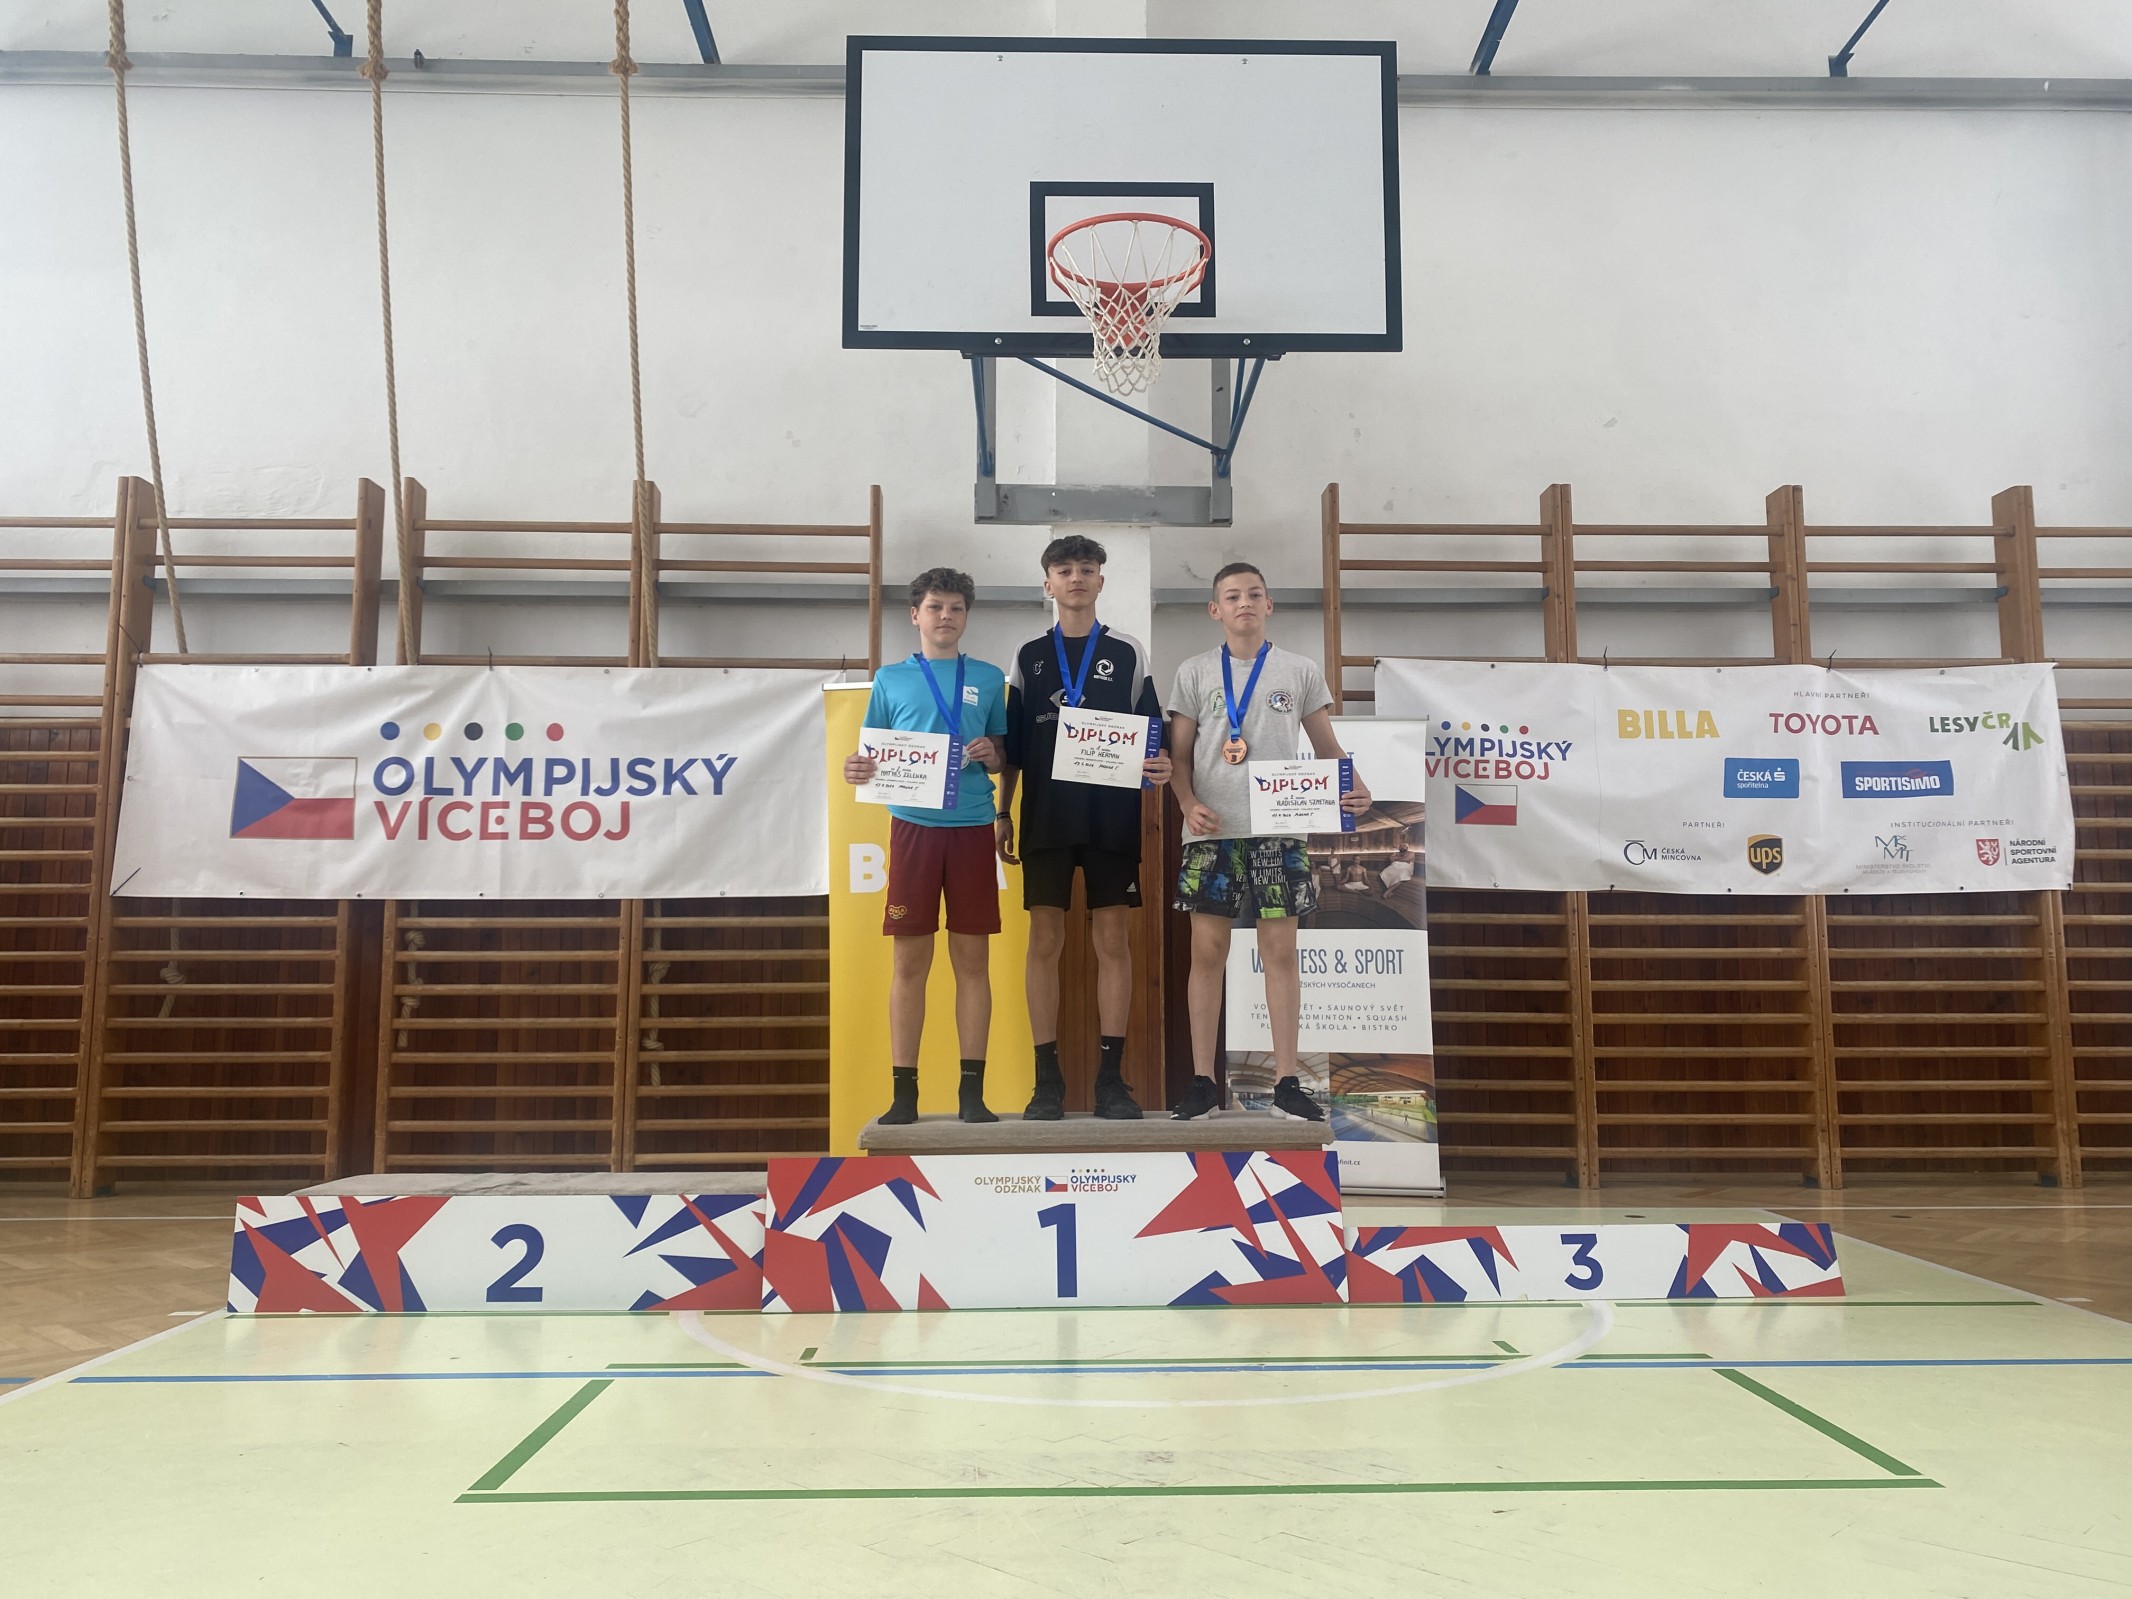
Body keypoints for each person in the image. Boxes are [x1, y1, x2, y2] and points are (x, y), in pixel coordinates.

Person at [1165, 562, 1370, 1121]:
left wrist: (1356, 786)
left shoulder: (1299, 670)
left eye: (1255, 594)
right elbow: (1178, 757)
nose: (1245, 603)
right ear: (1216, 609)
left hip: (1279, 833)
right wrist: (1185, 802)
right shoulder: (1194, 671)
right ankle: (1202, 1082)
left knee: (1280, 954)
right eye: (1232, 596)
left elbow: (1327, 747)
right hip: (1213, 833)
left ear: (1269, 604)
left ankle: (1286, 1082)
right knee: (1207, 954)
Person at [994, 535, 1172, 1121]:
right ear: (1048, 583)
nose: (1076, 578)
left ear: (1101, 580)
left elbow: (1151, 735)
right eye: (1065, 569)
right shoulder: (1028, 655)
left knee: (1113, 941)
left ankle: (1111, 1081)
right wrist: (1002, 812)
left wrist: (1159, 762)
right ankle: (1046, 1083)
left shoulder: (1127, 651)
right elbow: (1014, 749)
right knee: (1044, 941)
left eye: (1087, 569)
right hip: (1045, 816)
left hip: (1111, 817)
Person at [842, 568, 1008, 1126]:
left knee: (973, 963)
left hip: (972, 826)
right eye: (936, 607)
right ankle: (904, 1093)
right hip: (912, 828)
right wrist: (855, 768)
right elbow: (869, 759)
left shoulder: (988, 677)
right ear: (915, 615)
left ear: (966, 616)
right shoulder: (889, 680)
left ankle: (972, 1093)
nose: (946, 616)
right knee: (909, 963)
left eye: (956, 608)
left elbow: (1002, 756)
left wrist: (992, 754)